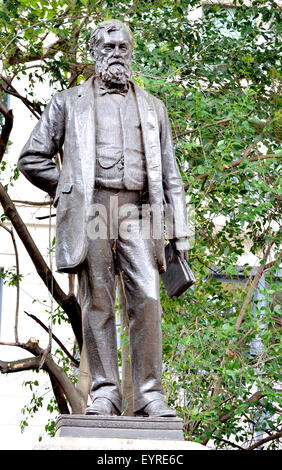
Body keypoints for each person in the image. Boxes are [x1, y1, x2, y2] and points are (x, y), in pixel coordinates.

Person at [18, 19, 189, 417]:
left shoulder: (153, 108)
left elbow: (171, 175)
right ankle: (105, 393)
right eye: (108, 47)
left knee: (147, 297)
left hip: (137, 211)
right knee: (97, 301)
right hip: (92, 208)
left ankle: (150, 395)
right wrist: (71, 189)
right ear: (94, 53)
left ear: (132, 54)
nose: (116, 54)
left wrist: (179, 232)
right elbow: (32, 157)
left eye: (123, 48)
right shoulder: (68, 101)